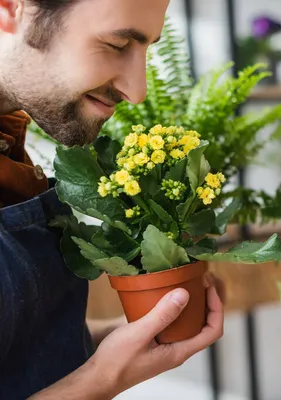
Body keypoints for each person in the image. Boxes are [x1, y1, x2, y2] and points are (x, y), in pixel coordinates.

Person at [0, 1, 225, 399]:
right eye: (118, 44)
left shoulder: (10, 141)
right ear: (11, 8)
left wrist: (127, 341)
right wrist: (102, 379)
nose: (136, 92)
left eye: (148, 49)